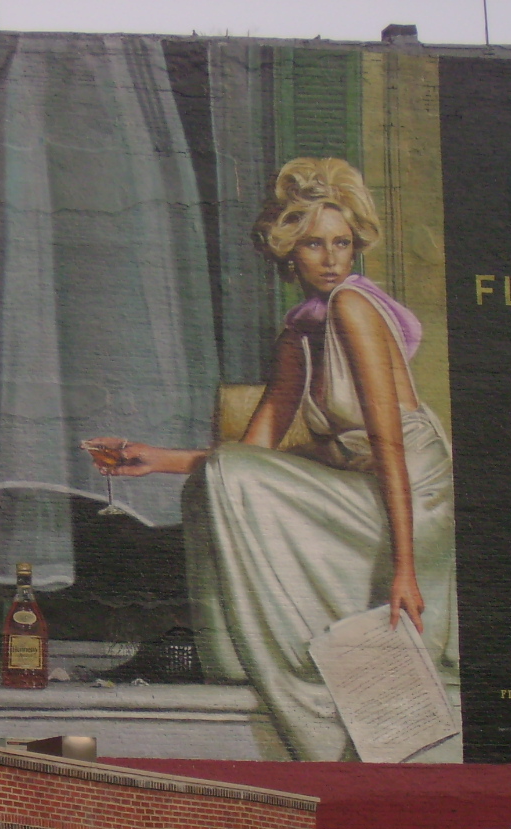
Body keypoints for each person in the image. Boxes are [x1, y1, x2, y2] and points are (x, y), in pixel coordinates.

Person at [86, 157, 457, 760]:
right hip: (358, 483)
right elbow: (250, 455)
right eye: (314, 244)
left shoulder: (354, 310)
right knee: (219, 476)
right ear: (289, 252)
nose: (332, 258)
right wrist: (154, 460)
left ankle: (287, 659)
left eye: (342, 243)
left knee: (228, 474)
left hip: (412, 490)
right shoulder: (299, 334)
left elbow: (389, 443)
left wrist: (405, 569)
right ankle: (235, 656)